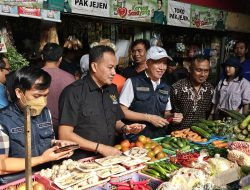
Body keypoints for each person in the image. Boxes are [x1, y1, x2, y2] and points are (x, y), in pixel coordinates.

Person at [58, 45, 145, 160]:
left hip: (108, 157)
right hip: (81, 161)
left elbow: (115, 120)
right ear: (94, 66)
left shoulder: (111, 89)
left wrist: (125, 128)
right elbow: (65, 135)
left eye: (115, 67)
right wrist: (100, 148)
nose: (114, 72)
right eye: (110, 67)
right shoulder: (73, 92)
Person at [0, 67, 76, 184]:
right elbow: (1, 166)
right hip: (18, 183)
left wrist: (58, 145)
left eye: (45, 95)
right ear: (19, 93)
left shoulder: (45, 112)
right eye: (37, 96)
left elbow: (46, 141)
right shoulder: (3, 120)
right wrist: (42, 159)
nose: (43, 101)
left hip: (46, 179)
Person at [120, 46, 183, 139]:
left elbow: (166, 113)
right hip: (136, 139)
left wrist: (173, 116)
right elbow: (122, 111)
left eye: (164, 63)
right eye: (157, 62)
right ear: (147, 63)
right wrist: (149, 118)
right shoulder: (133, 82)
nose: (162, 67)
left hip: (158, 139)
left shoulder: (166, 87)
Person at [170, 55, 214, 130]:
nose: (203, 74)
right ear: (190, 69)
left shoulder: (209, 89)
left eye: (206, 71)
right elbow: (168, 113)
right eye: (199, 70)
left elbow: (207, 111)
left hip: (200, 136)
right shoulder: (177, 88)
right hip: (178, 135)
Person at [42, 43, 75, 138]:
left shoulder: (35, 77)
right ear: (60, 58)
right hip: (65, 126)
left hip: (41, 126)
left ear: (42, 57)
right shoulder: (70, 77)